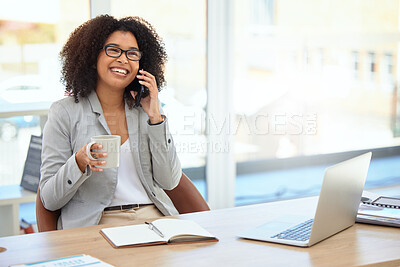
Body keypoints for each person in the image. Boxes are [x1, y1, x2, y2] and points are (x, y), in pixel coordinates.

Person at [39, 15, 182, 230]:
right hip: (96, 223)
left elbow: (170, 182)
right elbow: (49, 200)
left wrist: (156, 118)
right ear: (92, 55)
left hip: (153, 218)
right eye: (113, 50)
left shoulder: (146, 110)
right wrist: (78, 162)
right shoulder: (64, 112)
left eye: (132, 53)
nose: (123, 59)